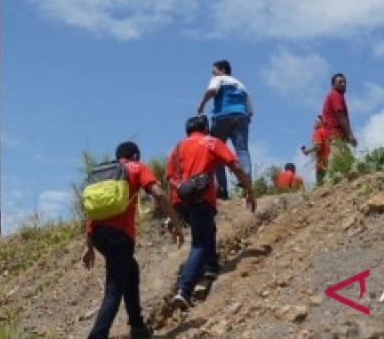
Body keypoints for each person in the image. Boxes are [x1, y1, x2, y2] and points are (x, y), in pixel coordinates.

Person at [81, 141, 184, 339]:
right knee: (114, 287)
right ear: (135, 155)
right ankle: (97, 335)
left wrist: (89, 246)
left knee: (131, 270)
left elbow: (92, 211)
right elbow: (159, 193)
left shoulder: (103, 174)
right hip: (119, 235)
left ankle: (138, 327)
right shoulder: (137, 168)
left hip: (98, 235)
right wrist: (176, 222)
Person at [166, 115, 255, 310]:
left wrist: (171, 215)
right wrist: (249, 190)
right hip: (200, 199)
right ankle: (184, 289)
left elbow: (169, 180)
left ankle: (211, 268)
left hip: (180, 201)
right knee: (198, 243)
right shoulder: (210, 142)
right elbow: (235, 166)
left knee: (208, 230)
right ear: (205, 127)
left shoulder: (176, 148)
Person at [195, 59, 253, 200]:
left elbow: (212, 90)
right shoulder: (242, 86)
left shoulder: (219, 79)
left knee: (217, 153)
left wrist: (201, 105)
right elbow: (250, 111)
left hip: (222, 117)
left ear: (222, 70)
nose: (212, 74)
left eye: (213, 71)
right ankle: (246, 182)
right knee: (242, 150)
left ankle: (222, 189)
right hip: (241, 117)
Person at [320, 72, 357, 148]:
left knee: (346, 158)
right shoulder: (335, 95)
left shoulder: (336, 96)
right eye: (340, 82)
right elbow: (341, 117)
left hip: (336, 136)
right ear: (333, 85)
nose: (343, 84)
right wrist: (350, 134)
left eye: (344, 82)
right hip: (335, 136)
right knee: (338, 158)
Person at [301, 115, 332, 185]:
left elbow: (318, 147)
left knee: (321, 184)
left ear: (321, 123)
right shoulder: (329, 132)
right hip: (331, 160)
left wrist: (306, 151)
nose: (314, 123)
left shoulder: (318, 132)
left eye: (316, 121)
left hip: (322, 163)